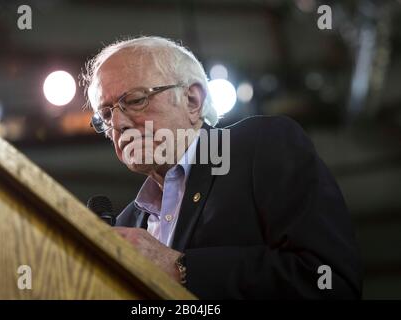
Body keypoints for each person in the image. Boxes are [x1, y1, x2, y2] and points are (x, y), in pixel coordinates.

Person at [83, 36, 363, 299]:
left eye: (134, 101)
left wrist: (181, 268)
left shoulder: (260, 147)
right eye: (106, 114)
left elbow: (328, 280)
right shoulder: (125, 225)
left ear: (193, 100)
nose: (118, 124)